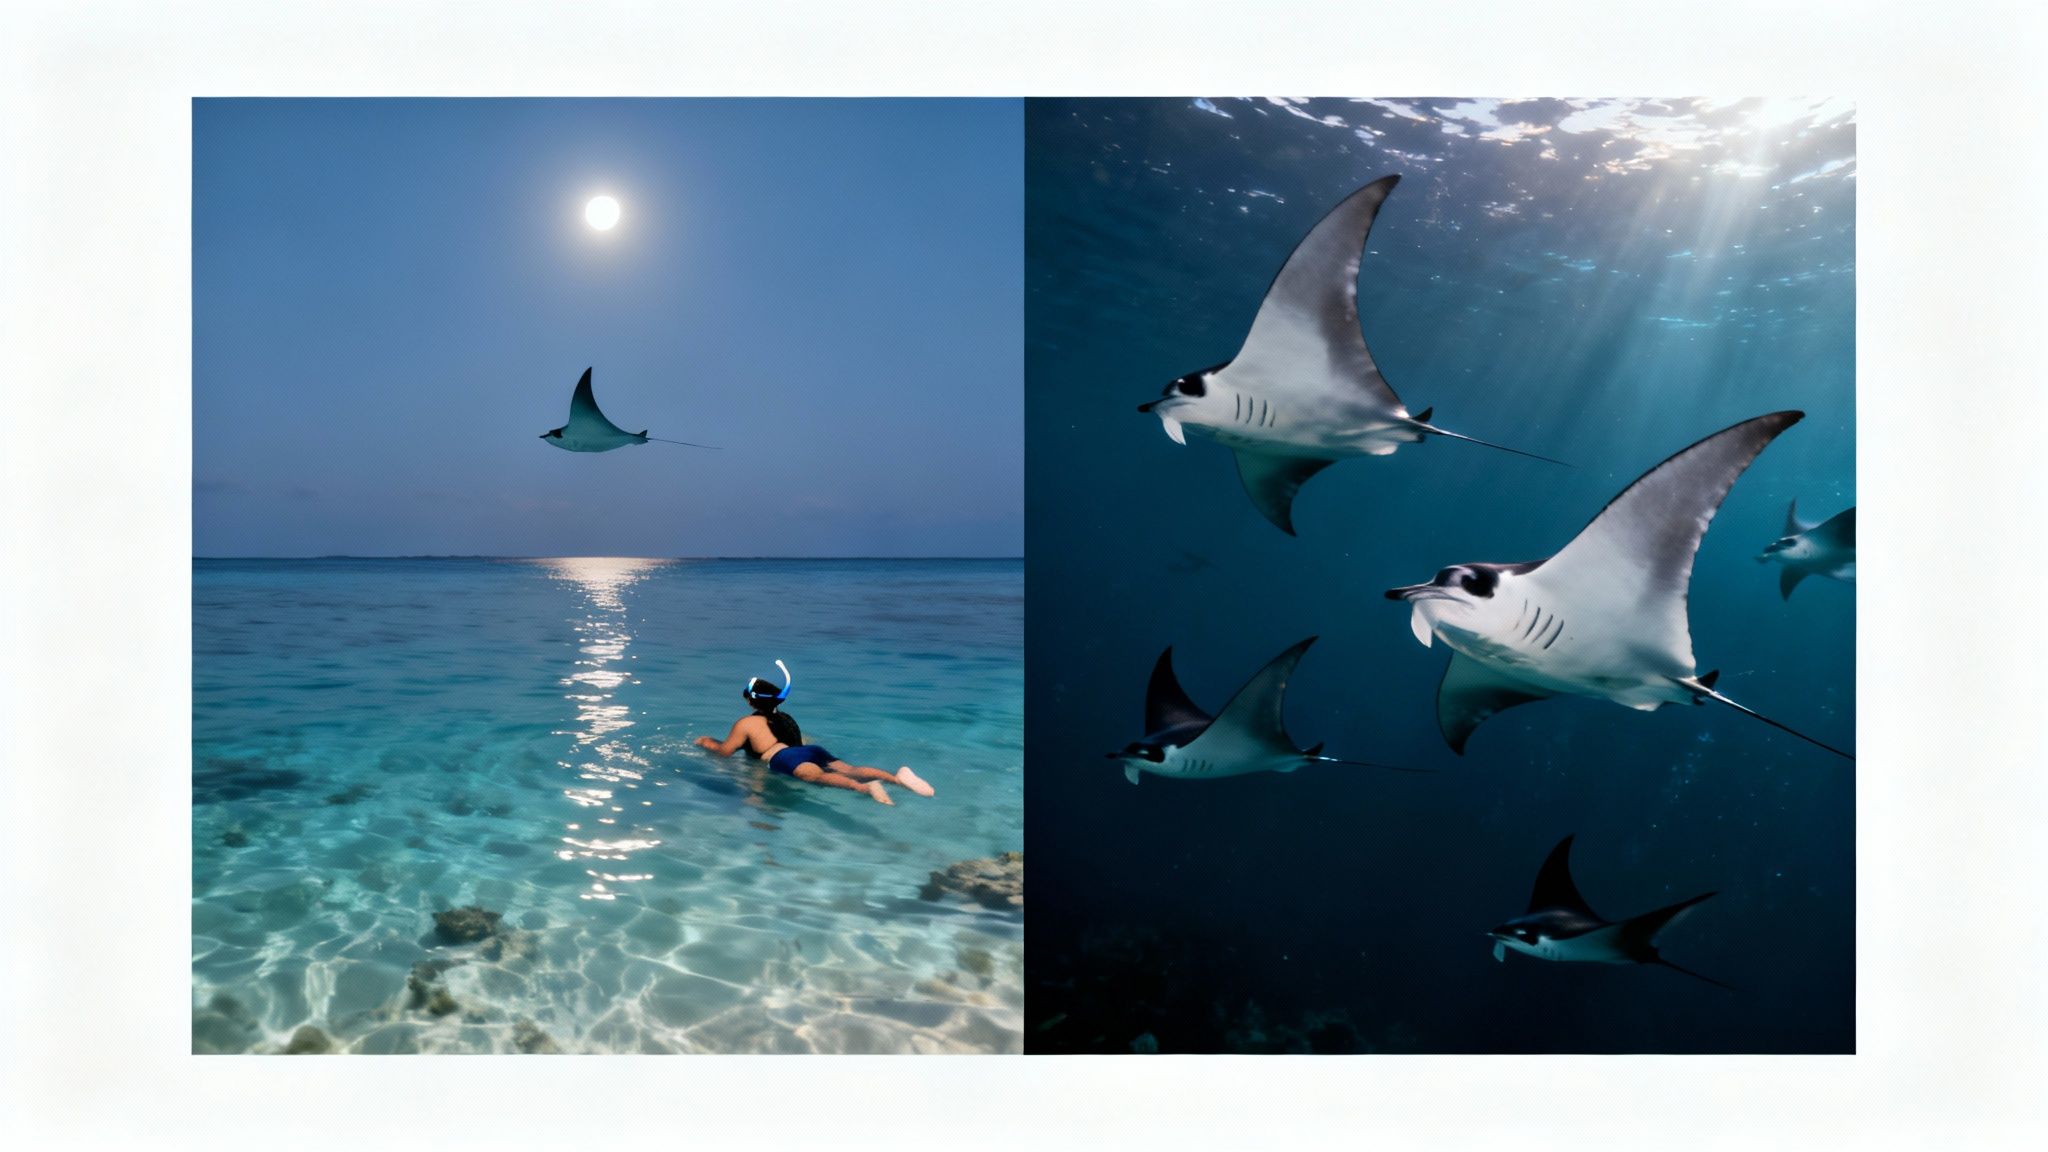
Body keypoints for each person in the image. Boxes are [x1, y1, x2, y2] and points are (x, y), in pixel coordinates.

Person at [694, 662, 934, 806]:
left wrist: (707, 742)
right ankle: (896, 778)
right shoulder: (785, 718)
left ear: (751, 701)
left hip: (785, 758)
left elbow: (725, 752)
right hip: (809, 751)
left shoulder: (746, 723)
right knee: (850, 769)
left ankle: (864, 788)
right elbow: (799, 742)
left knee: (817, 777)